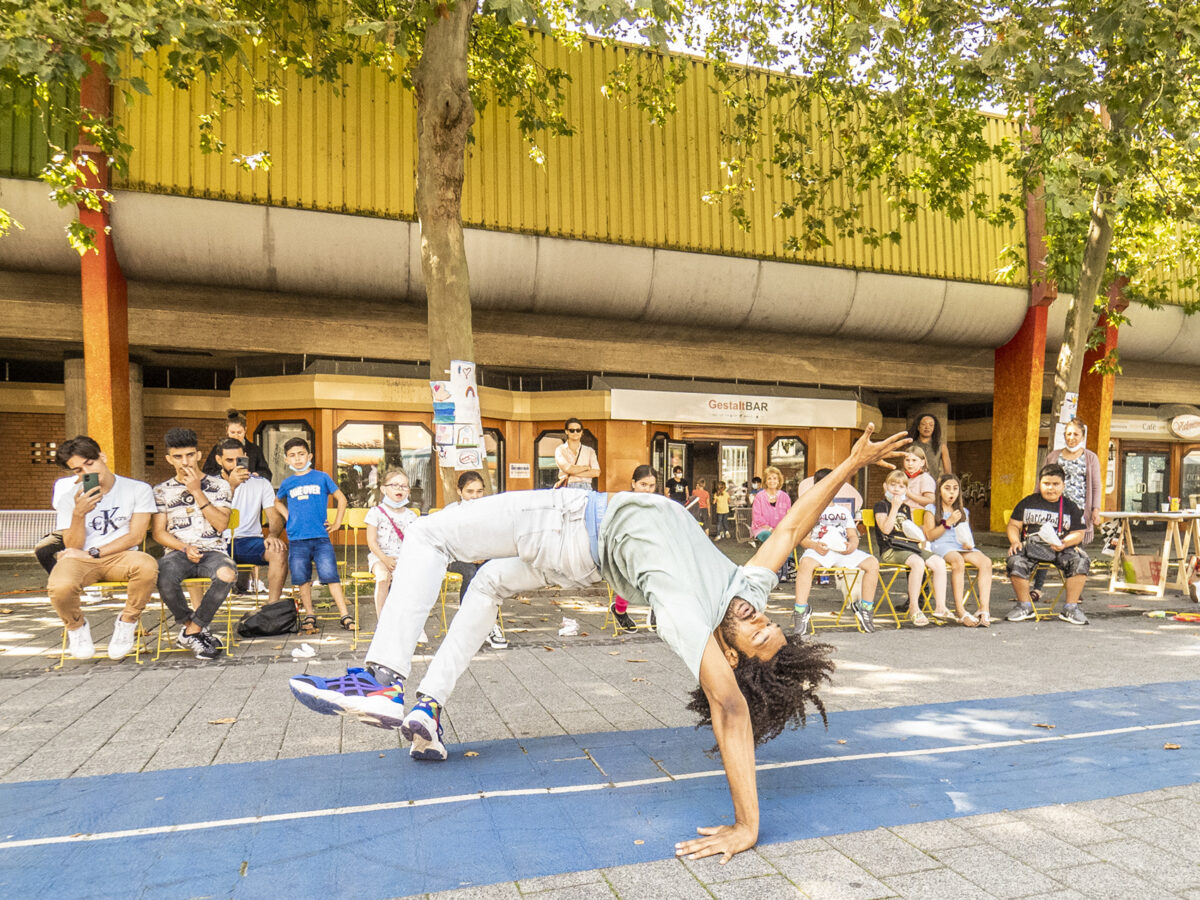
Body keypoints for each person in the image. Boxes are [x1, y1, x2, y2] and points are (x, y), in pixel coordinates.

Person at [288, 424, 911, 863]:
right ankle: (428, 702)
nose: (759, 619)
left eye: (755, 635)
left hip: (570, 522)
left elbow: (732, 711)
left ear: (727, 655)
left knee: (427, 535)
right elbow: (796, 524)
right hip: (581, 561)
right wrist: (852, 465)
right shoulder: (739, 588)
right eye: (769, 623)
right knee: (486, 590)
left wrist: (748, 825)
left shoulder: (689, 618)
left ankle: (381, 676)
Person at [47, 436, 158, 660]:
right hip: (80, 559)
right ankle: (76, 627)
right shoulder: (70, 498)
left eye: (90, 463)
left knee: (147, 566)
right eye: (78, 470)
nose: (87, 472)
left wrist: (94, 552)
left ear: (102, 457)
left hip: (121, 556)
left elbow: (135, 536)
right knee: (59, 586)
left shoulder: (138, 489)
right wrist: (79, 513)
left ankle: (127, 622)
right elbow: (72, 545)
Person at [151, 427, 236, 660]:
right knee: (162, 576)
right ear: (169, 459)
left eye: (189, 455)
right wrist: (184, 548)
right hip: (178, 552)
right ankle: (192, 627)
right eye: (178, 457)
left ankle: (192, 630)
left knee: (227, 574)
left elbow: (221, 525)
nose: (185, 461)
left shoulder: (220, 486)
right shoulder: (161, 491)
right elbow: (158, 533)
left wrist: (197, 492)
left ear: (198, 455)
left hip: (213, 551)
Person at [274, 437, 355, 634]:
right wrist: (288, 516)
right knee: (302, 578)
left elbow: (342, 499)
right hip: (297, 539)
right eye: (292, 455)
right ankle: (309, 614)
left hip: (320, 537)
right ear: (286, 460)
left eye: (301, 454)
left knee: (331, 576)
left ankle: (344, 614)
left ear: (309, 456)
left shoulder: (322, 477)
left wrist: (337, 523)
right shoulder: (288, 482)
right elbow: (276, 502)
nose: (298, 459)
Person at [792, 468, 880, 635]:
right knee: (805, 564)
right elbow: (803, 539)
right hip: (819, 549)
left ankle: (865, 607)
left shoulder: (843, 511)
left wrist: (852, 545)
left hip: (841, 550)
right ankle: (801, 610)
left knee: (872, 563)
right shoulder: (810, 509)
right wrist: (814, 546)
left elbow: (853, 536)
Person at [1005, 463, 1091, 626]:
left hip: (1060, 548)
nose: (1050, 488)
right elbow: (1013, 525)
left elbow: (1079, 533)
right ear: (1039, 484)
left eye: (1055, 484)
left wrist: (1065, 543)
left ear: (1063, 486)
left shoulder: (1070, 506)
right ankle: (1025, 606)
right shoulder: (1027, 502)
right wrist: (1015, 541)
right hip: (1031, 547)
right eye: (1046, 484)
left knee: (1081, 560)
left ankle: (1070, 608)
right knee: (1015, 560)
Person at [1030, 419, 1102, 602]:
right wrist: (1036, 502)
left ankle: (1075, 592)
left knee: (1076, 551)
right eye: (1068, 434)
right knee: (1047, 545)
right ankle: (1037, 588)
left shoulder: (1090, 457)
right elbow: (1042, 480)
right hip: (1054, 510)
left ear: (1082, 436)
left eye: (1076, 434)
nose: (1072, 438)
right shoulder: (1053, 456)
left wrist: (1095, 509)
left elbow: (1095, 486)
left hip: (1078, 511)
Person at [215, 438, 288, 605]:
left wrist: (273, 535)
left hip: (250, 541)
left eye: (239, 459)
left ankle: (272, 606)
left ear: (246, 457)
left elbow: (273, 515)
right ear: (219, 460)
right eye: (229, 460)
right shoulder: (209, 484)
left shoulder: (260, 483)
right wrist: (231, 486)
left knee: (279, 551)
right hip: (217, 542)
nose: (235, 465)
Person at [872, 468, 949, 626]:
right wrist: (894, 507)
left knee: (939, 562)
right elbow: (886, 529)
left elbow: (909, 531)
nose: (896, 489)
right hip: (891, 549)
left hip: (909, 546)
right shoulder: (881, 506)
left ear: (906, 490)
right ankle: (914, 608)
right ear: (885, 486)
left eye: (901, 486)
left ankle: (940, 607)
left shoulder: (906, 508)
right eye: (892, 485)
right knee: (917, 562)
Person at [442, 471, 507, 649]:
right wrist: (470, 555)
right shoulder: (452, 511)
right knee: (470, 572)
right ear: (459, 491)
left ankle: (489, 624)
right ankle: (468, 626)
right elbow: (447, 541)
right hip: (456, 557)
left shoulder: (490, 512)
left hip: (482, 556)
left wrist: (484, 554)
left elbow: (495, 539)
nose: (475, 496)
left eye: (479, 491)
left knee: (492, 573)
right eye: (470, 491)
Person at [923, 474, 992, 627]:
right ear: (939, 491)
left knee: (986, 562)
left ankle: (984, 609)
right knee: (957, 561)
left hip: (961, 545)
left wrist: (968, 544)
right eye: (947, 489)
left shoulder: (963, 511)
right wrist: (948, 522)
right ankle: (960, 610)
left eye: (955, 489)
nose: (951, 493)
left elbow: (966, 533)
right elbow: (930, 535)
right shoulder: (931, 509)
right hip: (942, 544)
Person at [609, 464, 658, 632]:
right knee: (630, 572)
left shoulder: (657, 504)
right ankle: (619, 610)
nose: (647, 490)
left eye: (652, 486)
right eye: (643, 485)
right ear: (633, 483)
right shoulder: (623, 503)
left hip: (650, 551)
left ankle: (656, 609)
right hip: (625, 550)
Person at [365, 468, 419, 618]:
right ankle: (382, 621)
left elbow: (414, 543)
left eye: (404, 486)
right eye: (394, 485)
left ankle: (407, 620)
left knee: (411, 581)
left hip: (403, 557)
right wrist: (385, 559)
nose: (399, 489)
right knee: (383, 578)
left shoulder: (411, 516)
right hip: (380, 556)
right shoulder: (376, 512)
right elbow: (371, 541)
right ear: (383, 489)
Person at [202, 408, 272, 478]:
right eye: (232, 432)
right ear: (227, 430)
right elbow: (207, 472)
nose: (236, 436)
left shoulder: (255, 449)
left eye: (239, 432)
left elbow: (266, 473)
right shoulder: (217, 448)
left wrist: (257, 474)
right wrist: (223, 474)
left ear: (245, 430)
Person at [34, 474, 78, 574]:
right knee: (42, 549)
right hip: (66, 528)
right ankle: (58, 577)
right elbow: (57, 505)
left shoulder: (104, 483)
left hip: (94, 527)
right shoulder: (63, 483)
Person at [554, 418, 600, 489]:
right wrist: (586, 468)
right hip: (568, 486)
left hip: (586, 486)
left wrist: (573, 473)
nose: (575, 433)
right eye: (572, 430)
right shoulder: (560, 450)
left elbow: (596, 472)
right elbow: (568, 468)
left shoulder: (589, 451)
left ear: (582, 432)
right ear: (566, 431)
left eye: (578, 430)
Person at [907, 412, 952, 482]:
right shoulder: (911, 445)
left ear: (934, 428)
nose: (927, 427)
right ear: (918, 427)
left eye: (931, 425)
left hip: (933, 485)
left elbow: (948, 472)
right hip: (914, 484)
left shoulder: (941, 446)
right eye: (924, 424)